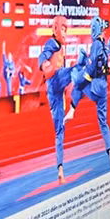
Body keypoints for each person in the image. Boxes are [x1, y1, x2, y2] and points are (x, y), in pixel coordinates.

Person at [69, 17, 110, 171]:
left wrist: (83, 69)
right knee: (103, 122)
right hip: (104, 88)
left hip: (95, 86)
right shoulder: (103, 45)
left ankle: (71, 110)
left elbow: (91, 66)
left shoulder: (96, 44)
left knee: (77, 85)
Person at [38, 16, 75, 183]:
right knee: (76, 70)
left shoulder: (62, 48)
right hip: (54, 81)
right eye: (63, 28)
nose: (65, 32)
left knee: (59, 131)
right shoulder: (52, 43)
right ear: (56, 28)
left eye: (66, 29)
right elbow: (43, 56)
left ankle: (60, 168)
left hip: (54, 92)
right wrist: (45, 65)